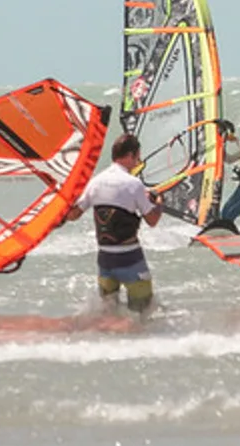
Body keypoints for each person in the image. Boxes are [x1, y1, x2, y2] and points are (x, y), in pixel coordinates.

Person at [61, 133, 163, 314]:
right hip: (130, 260)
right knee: (144, 313)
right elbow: (152, 220)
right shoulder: (134, 184)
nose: (137, 162)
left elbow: (73, 215)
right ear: (131, 155)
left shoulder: (95, 182)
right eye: (137, 158)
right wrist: (158, 202)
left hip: (105, 262)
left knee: (109, 315)